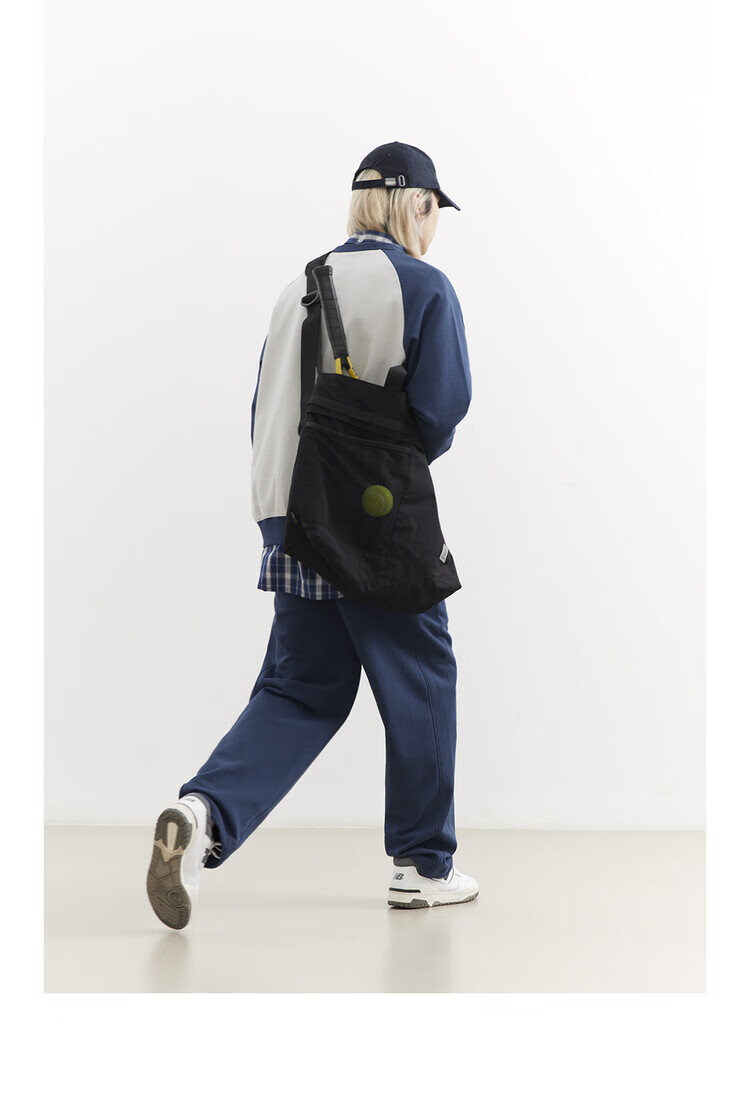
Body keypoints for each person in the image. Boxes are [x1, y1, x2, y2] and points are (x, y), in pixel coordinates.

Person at [146, 141, 479, 930]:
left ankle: (201, 815)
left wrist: (286, 512)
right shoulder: (422, 285)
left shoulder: (296, 284)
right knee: (422, 676)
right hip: (371, 518)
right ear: (417, 204)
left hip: (286, 512)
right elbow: (442, 409)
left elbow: (262, 407)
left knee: (303, 688)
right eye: (435, 211)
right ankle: (423, 865)